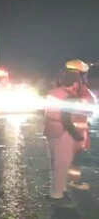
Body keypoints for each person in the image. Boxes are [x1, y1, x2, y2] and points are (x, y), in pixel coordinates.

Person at [44, 70, 86, 208]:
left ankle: (60, 190)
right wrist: (78, 136)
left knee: (56, 163)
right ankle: (57, 196)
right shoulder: (69, 97)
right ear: (75, 83)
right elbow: (67, 120)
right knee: (62, 164)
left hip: (51, 131)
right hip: (63, 132)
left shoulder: (54, 92)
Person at [64, 59, 95, 191]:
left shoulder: (63, 86)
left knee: (69, 155)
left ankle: (64, 181)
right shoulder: (79, 88)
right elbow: (88, 106)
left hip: (69, 128)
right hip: (77, 128)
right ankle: (73, 181)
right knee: (77, 156)